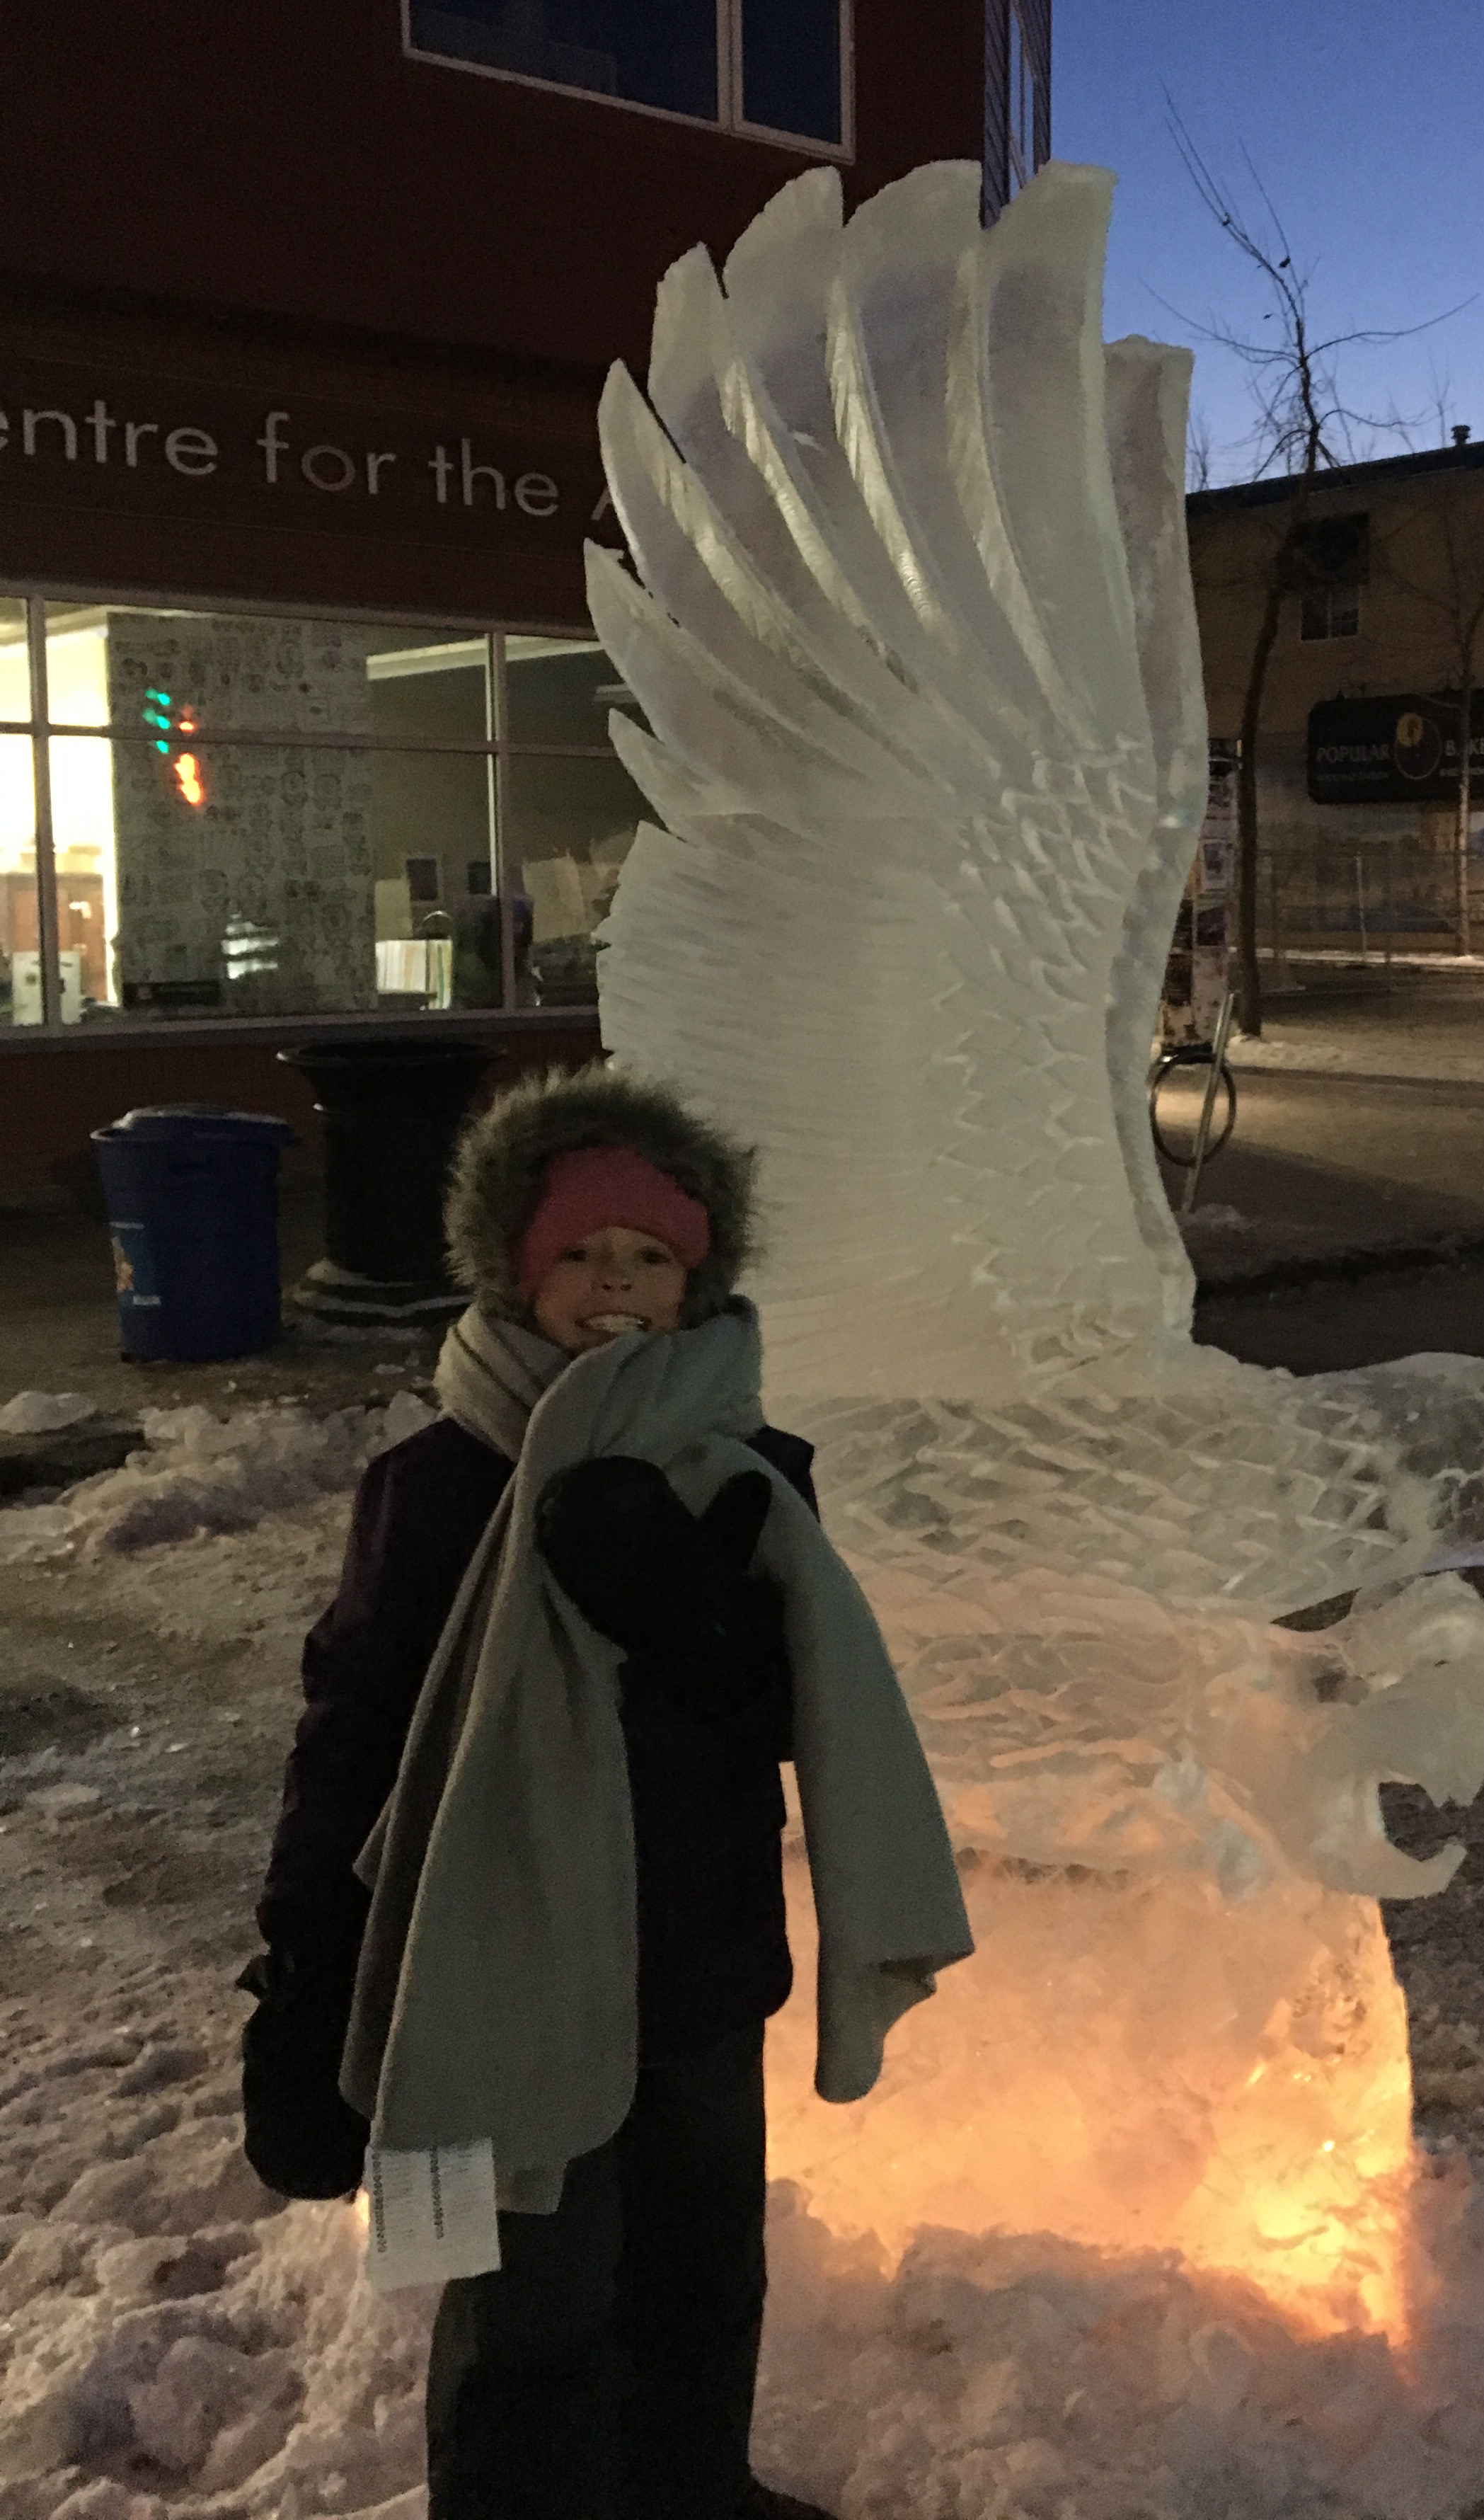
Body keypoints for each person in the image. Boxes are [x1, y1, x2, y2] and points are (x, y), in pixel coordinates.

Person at [241, 1065, 970, 2520]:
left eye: (649, 1256)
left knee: (700, 2266)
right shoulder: (440, 1482)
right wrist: (308, 1954)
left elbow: (804, 1710)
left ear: (699, 1283)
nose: (615, 1283)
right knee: (533, 2299)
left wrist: (690, 1612)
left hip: (697, 1953)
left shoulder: (753, 1472)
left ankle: (693, 2491)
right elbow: (354, 1723)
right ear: (516, 1272)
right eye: (578, 1252)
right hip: (499, 1961)